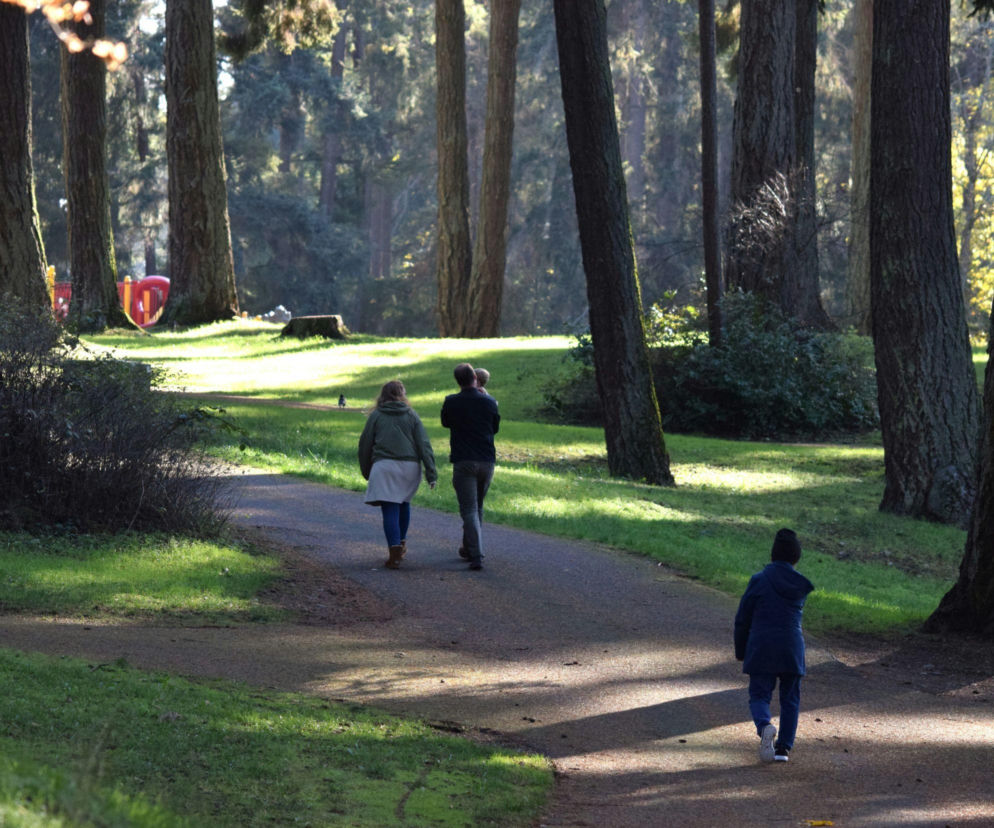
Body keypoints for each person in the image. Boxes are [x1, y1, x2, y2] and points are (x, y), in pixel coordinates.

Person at [733, 528, 814, 763]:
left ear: (772, 555)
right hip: (792, 646)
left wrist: (741, 650)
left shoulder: (758, 580)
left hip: (762, 646)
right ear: (796, 558)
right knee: (790, 698)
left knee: (759, 695)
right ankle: (783, 749)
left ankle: (765, 726)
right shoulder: (800, 586)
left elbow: (742, 619)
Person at [358, 380, 437, 569]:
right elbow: (423, 445)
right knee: (403, 502)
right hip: (410, 467)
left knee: (390, 508)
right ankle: (401, 544)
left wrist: (367, 470)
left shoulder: (376, 415)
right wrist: (431, 472)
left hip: (384, 466)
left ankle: (394, 553)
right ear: (402, 395)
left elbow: (365, 445)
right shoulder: (412, 415)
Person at [440, 363, 500, 571]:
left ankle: (476, 555)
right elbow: (495, 428)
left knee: (469, 509)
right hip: (486, 460)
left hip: (464, 460)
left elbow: (445, 423)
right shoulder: (490, 402)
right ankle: (469, 548)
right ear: (475, 377)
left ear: (458, 381)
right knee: (477, 507)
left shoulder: (451, 402)